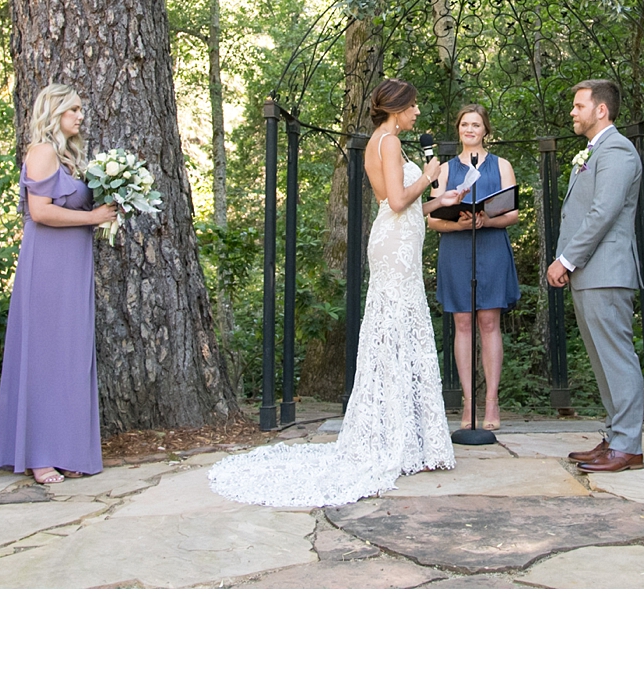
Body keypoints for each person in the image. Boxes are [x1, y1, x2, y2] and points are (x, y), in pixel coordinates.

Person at [209, 78, 465, 507]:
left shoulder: (387, 143)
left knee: (401, 333)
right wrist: (429, 177)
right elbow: (398, 202)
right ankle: (395, 440)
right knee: (395, 333)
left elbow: (396, 203)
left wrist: (441, 200)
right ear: (397, 108)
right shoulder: (385, 142)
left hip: (399, 241)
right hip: (394, 248)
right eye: (414, 106)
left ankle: (406, 437)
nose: (418, 113)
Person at [0, 84, 118, 485]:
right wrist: (94, 217)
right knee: (45, 353)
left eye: (81, 109)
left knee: (70, 354)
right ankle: (39, 453)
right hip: (47, 262)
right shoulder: (41, 151)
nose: (81, 116)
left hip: (73, 261)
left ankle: (69, 447)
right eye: (74, 109)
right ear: (55, 111)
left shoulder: (71, 157)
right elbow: (40, 212)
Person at [548, 80, 644, 473]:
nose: (573, 112)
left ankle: (628, 446)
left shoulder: (618, 149)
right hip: (591, 273)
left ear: (600, 110)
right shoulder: (596, 150)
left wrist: (566, 259)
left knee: (617, 360)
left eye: (578, 105)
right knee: (603, 361)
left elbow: (603, 212)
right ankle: (616, 438)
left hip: (606, 271)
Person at [429, 103, 521, 432]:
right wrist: (461, 225)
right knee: (463, 323)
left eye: (476, 125)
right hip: (456, 248)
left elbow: (513, 213)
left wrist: (486, 219)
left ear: (486, 130)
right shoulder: (443, 170)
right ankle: (468, 403)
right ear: (458, 129)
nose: (470, 129)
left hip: (492, 246)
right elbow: (432, 219)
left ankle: (492, 402)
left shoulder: (503, 165)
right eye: (465, 124)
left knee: (488, 322)